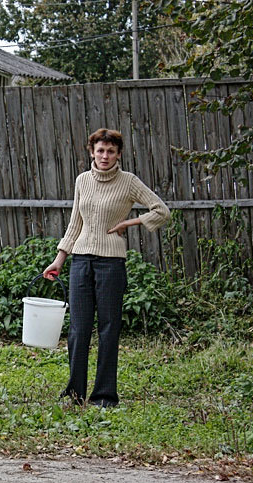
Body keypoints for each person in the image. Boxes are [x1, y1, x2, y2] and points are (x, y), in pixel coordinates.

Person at [43, 128, 170, 407]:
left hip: (112, 263)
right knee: (78, 328)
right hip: (80, 261)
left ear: (118, 154)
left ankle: (104, 396)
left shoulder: (129, 182)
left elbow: (161, 211)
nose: (104, 156)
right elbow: (75, 222)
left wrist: (129, 223)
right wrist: (59, 260)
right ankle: (75, 394)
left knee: (109, 328)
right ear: (92, 152)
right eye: (100, 150)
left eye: (110, 151)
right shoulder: (82, 181)